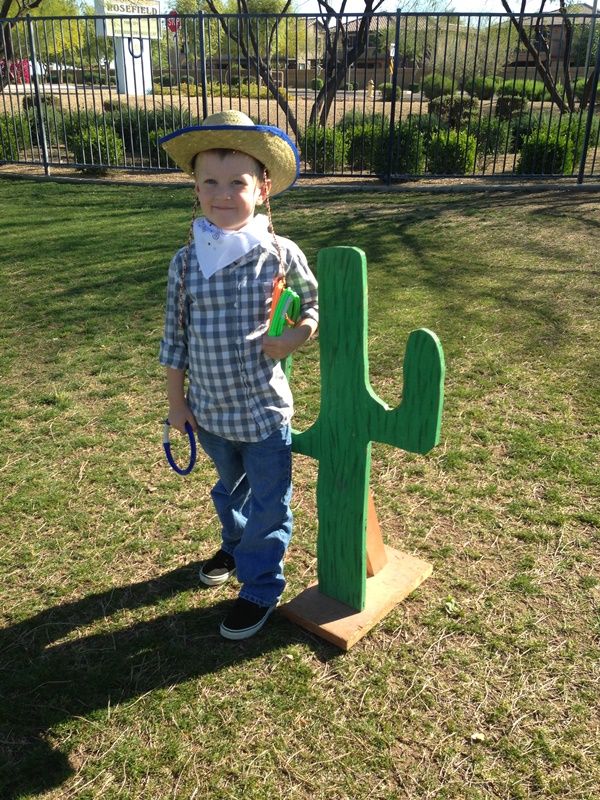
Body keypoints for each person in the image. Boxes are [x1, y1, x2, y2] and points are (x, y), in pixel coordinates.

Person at [159, 110, 318, 640]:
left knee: (270, 503)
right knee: (230, 491)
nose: (223, 194)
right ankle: (234, 542)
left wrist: (297, 335)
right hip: (208, 413)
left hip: (264, 412)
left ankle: (259, 586)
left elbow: (313, 304)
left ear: (262, 187)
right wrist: (178, 405)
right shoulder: (185, 262)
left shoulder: (278, 253)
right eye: (210, 182)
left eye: (237, 183)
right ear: (195, 187)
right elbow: (174, 339)